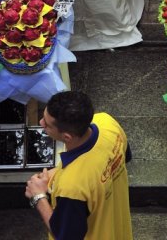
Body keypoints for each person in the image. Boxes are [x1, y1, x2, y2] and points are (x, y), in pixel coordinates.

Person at [24, 90, 132, 240]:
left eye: (47, 125)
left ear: (66, 137)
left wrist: (38, 196)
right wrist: (58, 172)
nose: (41, 123)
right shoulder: (108, 124)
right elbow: (122, 157)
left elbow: (64, 235)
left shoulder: (72, 188)